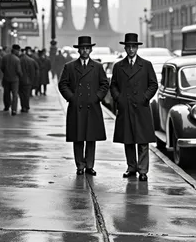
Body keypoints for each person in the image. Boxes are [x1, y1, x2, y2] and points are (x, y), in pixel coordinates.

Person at [110, 33, 158, 182]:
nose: (131, 49)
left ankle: (143, 170)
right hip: (126, 107)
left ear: (137, 48)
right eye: (128, 47)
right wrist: (119, 99)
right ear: (125, 48)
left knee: (143, 141)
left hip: (141, 107)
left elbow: (153, 84)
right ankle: (131, 167)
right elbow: (113, 86)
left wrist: (145, 97)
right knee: (128, 139)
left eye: (133, 47)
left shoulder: (146, 65)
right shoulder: (118, 66)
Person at [58, 36, 109, 176]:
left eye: (87, 48)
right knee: (78, 137)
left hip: (92, 106)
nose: (85, 51)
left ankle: (89, 165)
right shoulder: (70, 66)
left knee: (91, 138)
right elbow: (63, 84)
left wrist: (97, 97)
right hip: (77, 106)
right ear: (78, 50)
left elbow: (104, 84)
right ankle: (80, 165)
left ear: (91, 50)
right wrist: (72, 98)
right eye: (82, 48)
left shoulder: (98, 66)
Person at [1, 44, 23, 115]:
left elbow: (2, 68)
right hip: (14, 80)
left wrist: (6, 73)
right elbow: (18, 71)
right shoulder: (17, 59)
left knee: (6, 93)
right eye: (18, 51)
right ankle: (14, 110)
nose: (18, 52)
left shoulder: (5, 57)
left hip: (6, 78)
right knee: (15, 94)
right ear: (15, 50)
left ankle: (6, 106)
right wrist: (21, 76)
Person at [19, 46, 38, 112]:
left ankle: (23, 106)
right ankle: (26, 106)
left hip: (21, 80)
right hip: (29, 80)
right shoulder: (32, 60)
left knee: (21, 94)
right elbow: (36, 69)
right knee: (27, 94)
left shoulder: (19, 60)